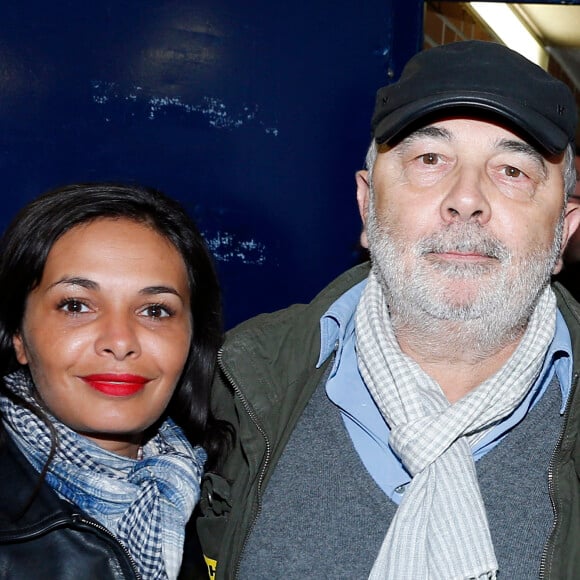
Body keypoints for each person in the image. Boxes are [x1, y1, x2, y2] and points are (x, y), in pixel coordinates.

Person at [197, 40, 580, 579]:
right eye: (429, 160)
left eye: (512, 170)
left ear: (563, 231)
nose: (466, 197)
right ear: (366, 204)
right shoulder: (235, 383)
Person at [0, 183, 229, 579]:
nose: (120, 342)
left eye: (155, 311)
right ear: (19, 335)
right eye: (76, 305)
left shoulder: (225, 499)